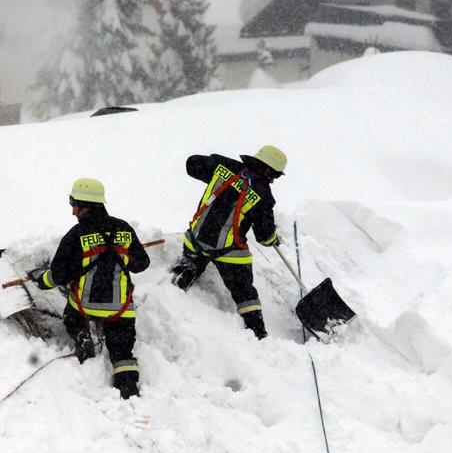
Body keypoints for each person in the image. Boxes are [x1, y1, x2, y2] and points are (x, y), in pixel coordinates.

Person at [30, 178, 150, 399]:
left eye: (73, 203)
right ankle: (128, 390)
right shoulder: (123, 229)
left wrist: (39, 279)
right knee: (123, 350)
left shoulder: (76, 235)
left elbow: (58, 275)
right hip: (120, 310)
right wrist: (123, 257)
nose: (73, 211)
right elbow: (142, 264)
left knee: (71, 316)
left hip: (86, 306)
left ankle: (82, 334)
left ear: (86, 205)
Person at [171, 145, 287, 340]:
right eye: (274, 175)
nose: (273, 180)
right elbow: (264, 236)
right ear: (269, 171)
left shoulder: (223, 165)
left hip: (196, 241)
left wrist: (214, 165)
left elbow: (192, 164)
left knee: (188, 266)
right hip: (228, 253)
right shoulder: (264, 195)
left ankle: (175, 291)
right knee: (244, 291)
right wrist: (273, 239)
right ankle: (258, 333)